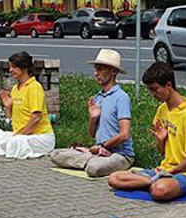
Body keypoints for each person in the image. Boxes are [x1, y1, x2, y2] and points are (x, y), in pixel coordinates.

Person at [108, 62, 186, 202]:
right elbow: (163, 153)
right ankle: (150, 181)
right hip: (163, 170)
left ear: (169, 86)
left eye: (155, 89)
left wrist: (171, 172)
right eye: (149, 90)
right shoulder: (162, 110)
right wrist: (161, 140)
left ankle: (151, 182)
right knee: (114, 178)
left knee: (159, 191)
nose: (152, 94)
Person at [48, 48, 134, 176]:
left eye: (100, 69)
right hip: (99, 151)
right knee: (56, 154)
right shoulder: (98, 97)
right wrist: (93, 118)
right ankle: (92, 157)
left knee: (93, 168)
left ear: (113, 71)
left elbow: (124, 135)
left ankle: (92, 159)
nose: (95, 73)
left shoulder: (121, 97)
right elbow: (92, 134)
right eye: (95, 69)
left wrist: (104, 147)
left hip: (120, 155)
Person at [0, 51, 56, 158]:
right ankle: (10, 146)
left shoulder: (34, 87)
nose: (10, 70)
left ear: (24, 68)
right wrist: (7, 107)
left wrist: (20, 135)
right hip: (21, 135)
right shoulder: (15, 89)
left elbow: (36, 118)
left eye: (14, 67)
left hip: (40, 137)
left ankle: (11, 146)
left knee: (16, 142)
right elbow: (12, 121)